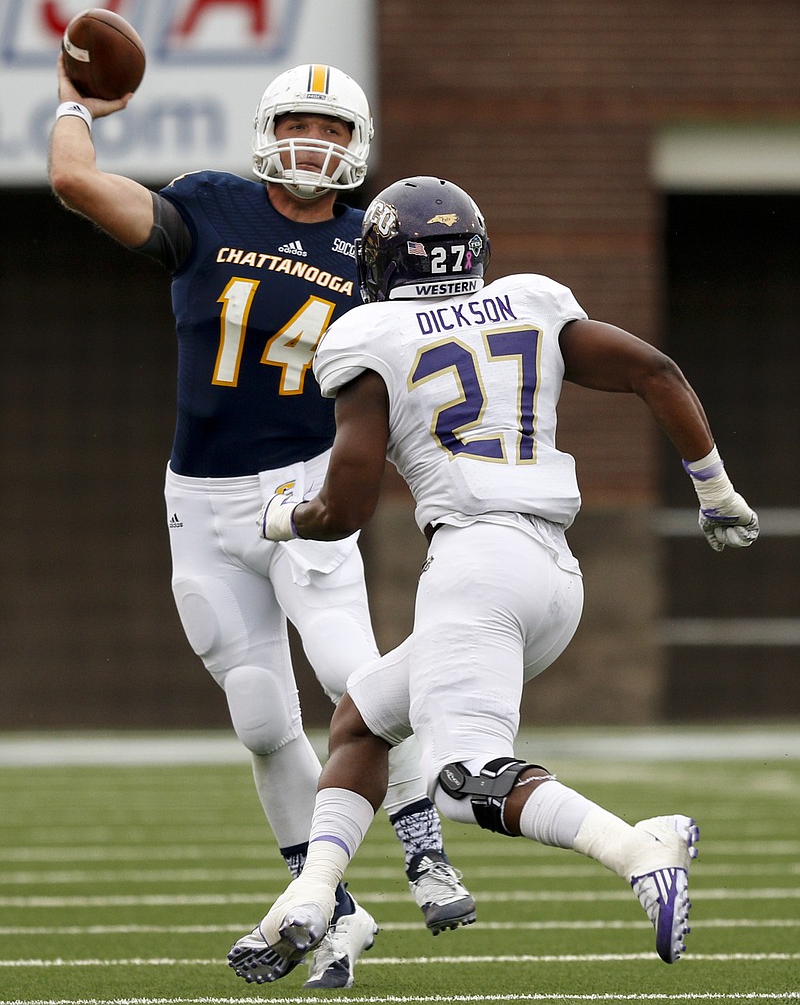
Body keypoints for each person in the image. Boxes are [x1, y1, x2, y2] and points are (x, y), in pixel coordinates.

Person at [235, 174, 760, 978]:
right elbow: (656, 370)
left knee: (463, 779)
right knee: (362, 716)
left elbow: (345, 507)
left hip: (477, 565)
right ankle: (312, 893)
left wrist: (286, 516)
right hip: (556, 575)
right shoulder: (531, 301)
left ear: (382, 260)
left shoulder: (369, 333)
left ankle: (637, 848)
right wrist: (715, 489)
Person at [48, 68, 475, 989]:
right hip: (198, 499)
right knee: (258, 715)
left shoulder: (375, 244)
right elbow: (78, 185)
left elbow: (438, 360)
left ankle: (423, 845)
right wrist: (80, 106)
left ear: (359, 142)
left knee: (347, 676)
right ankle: (326, 909)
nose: (314, 143)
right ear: (265, 129)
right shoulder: (212, 205)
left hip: (308, 487)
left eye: (332, 126)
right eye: (297, 122)